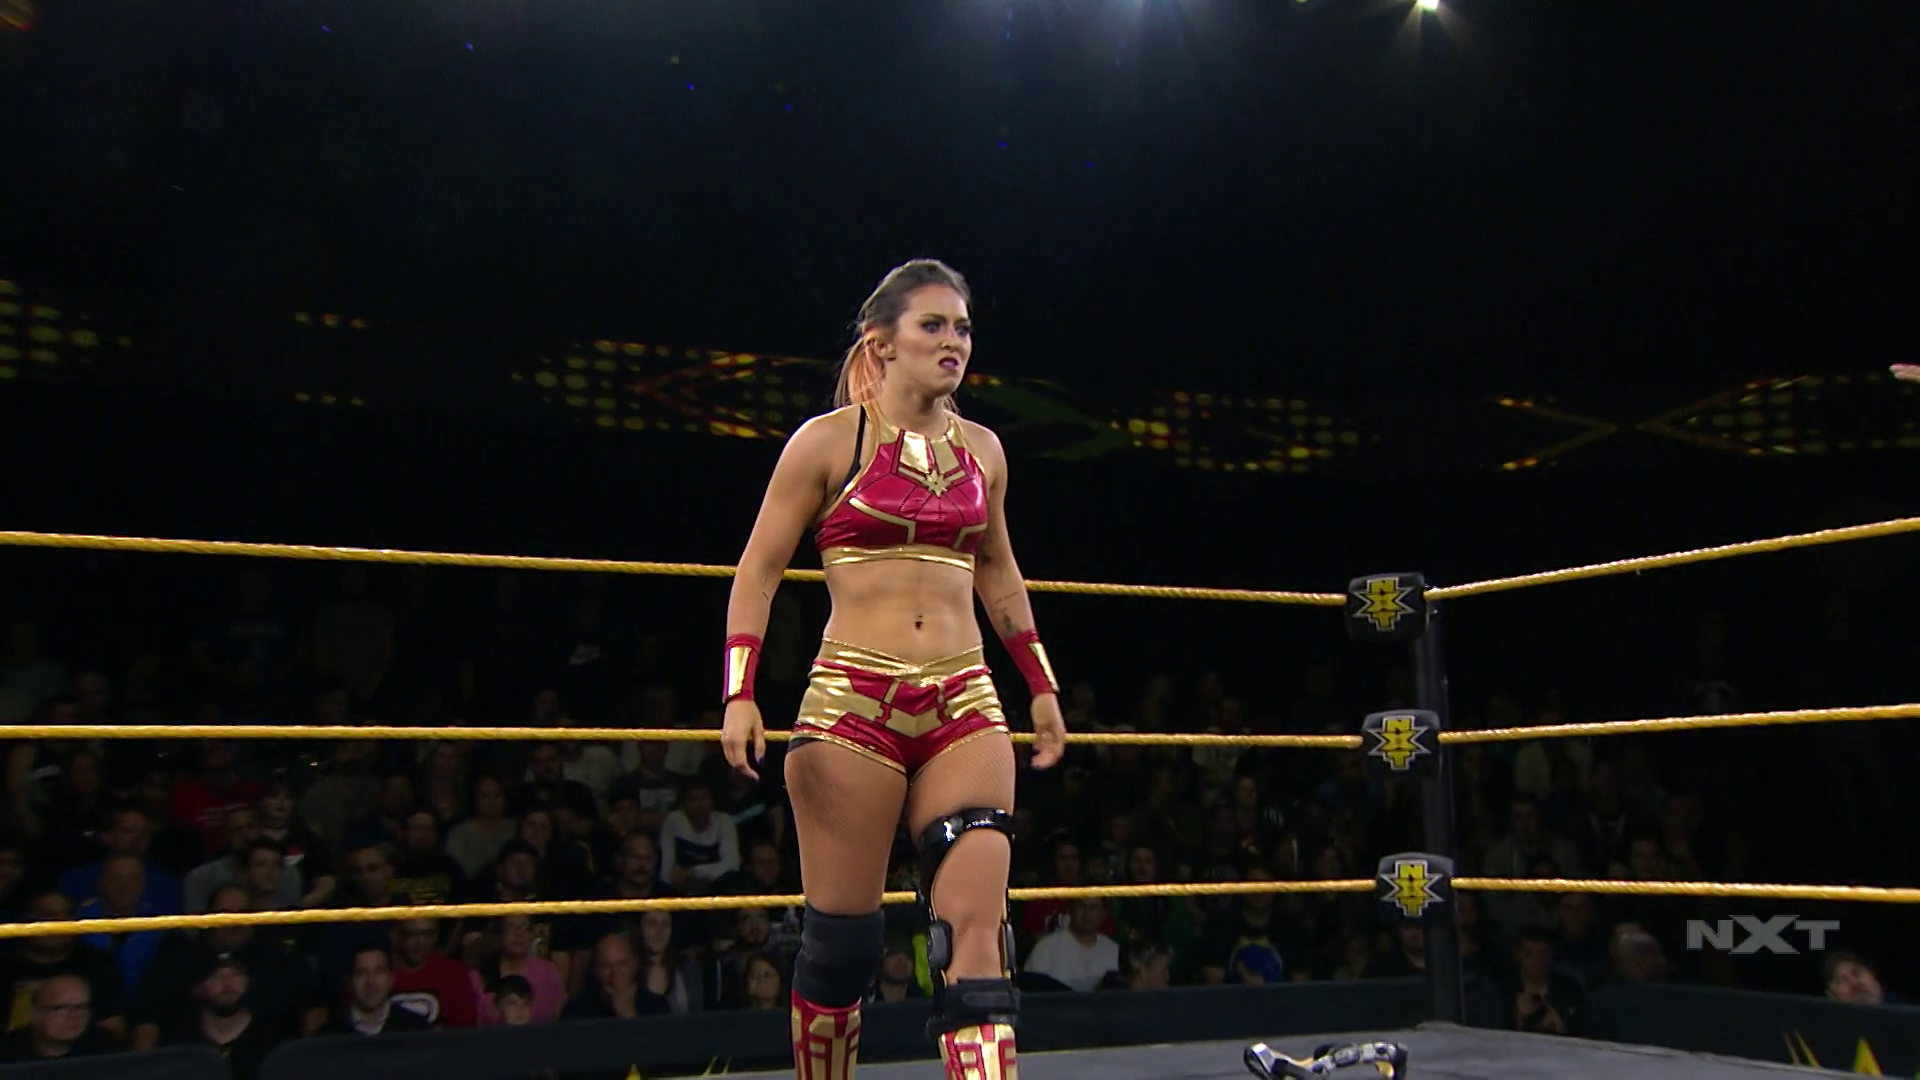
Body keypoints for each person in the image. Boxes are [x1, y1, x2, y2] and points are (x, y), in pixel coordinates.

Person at [721, 258, 1067, 1080]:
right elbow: (758, 571)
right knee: (842, 949)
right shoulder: (827, 441)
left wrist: (1042, 686)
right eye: (933, 326)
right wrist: (739, 692)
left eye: (963, 328)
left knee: (978, 945)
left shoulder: (984, 451)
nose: (954, 343)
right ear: (883, 343)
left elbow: (999, 573)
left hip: (964, 700)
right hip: (852, 702)